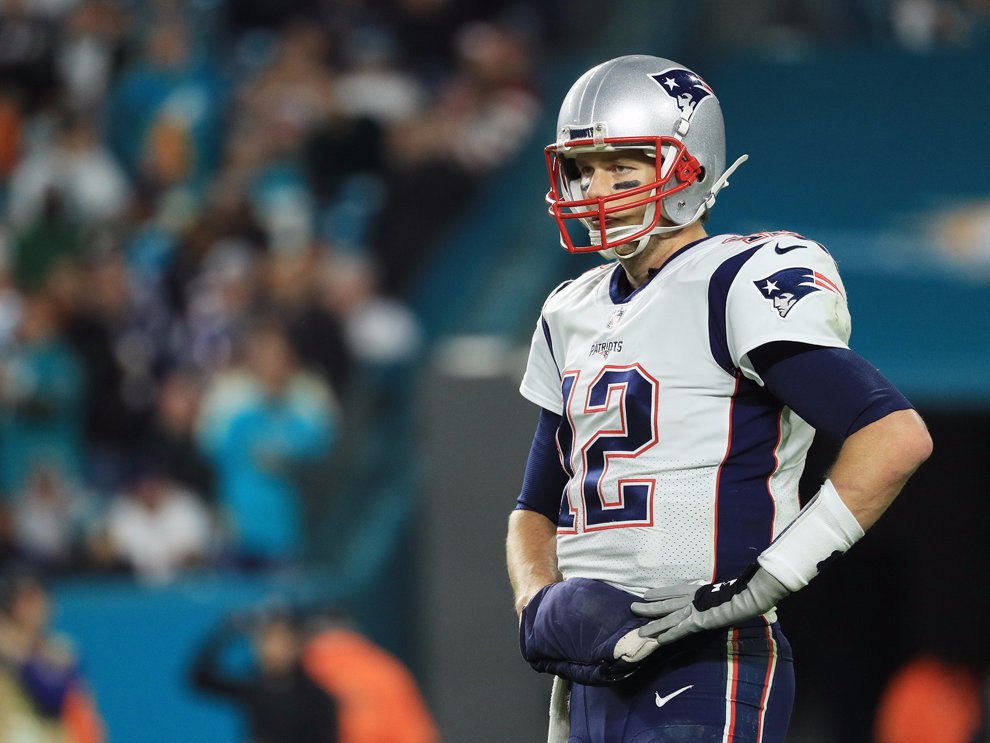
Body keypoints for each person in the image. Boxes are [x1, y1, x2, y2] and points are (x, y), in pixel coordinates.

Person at [505, 54, 933, 742]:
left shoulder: (734, 279)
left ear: (689, 167)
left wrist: (766, 580)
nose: (595, 188)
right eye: (583, 169)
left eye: (622, 167)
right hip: (590, 673)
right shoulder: (569, 310)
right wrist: (537, 599)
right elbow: (534, 506)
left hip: (707, 655)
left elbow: (894, 437)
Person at [190, 607, 338, 743]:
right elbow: (201, 678)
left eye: (281, 640)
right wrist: (227, 631)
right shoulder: (254, 687)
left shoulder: (318, 700)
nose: (271, 649)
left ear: (296, 645)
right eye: (266, 639)